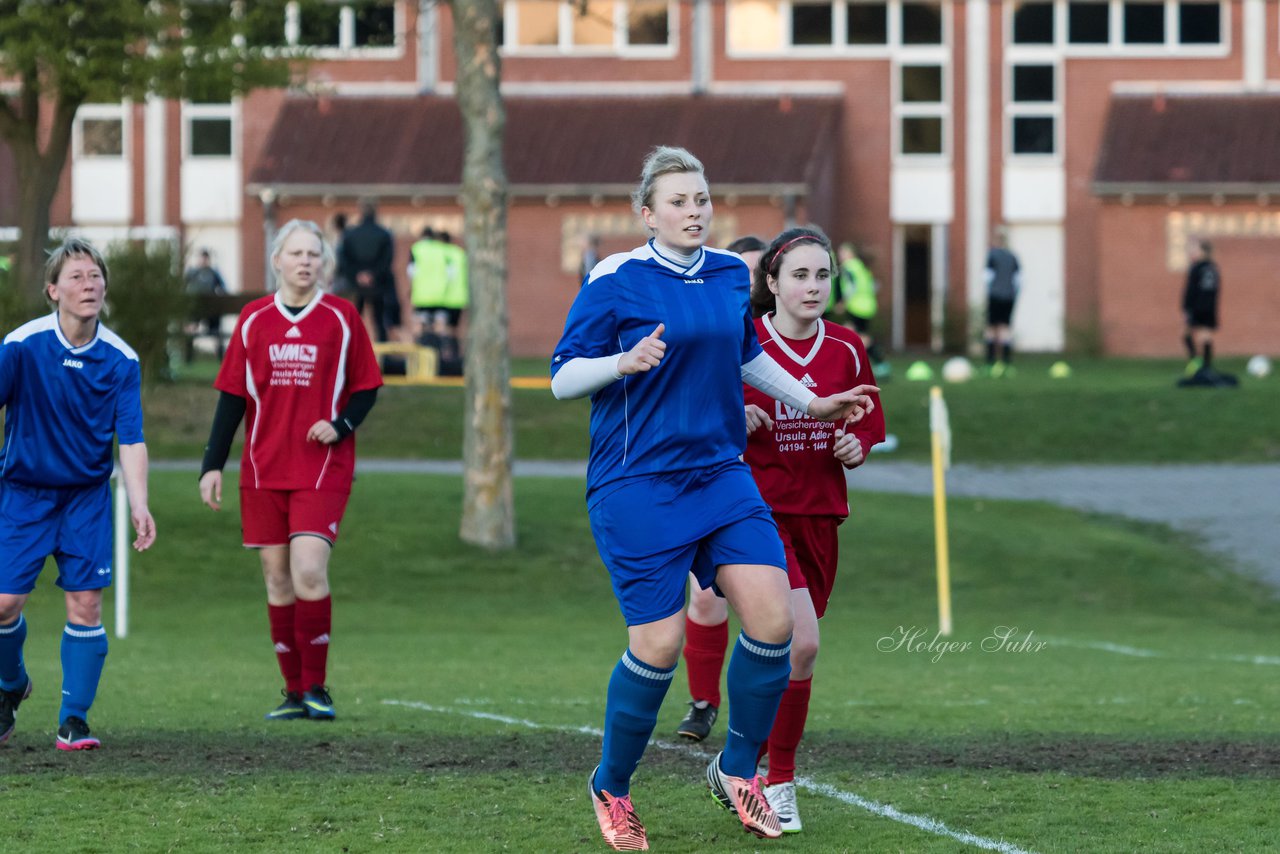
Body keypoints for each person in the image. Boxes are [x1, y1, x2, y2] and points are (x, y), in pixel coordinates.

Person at [551, 146, 876, 851]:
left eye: (701, 199)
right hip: (637, 482)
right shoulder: (616, 279)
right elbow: (562, 377)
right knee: (661, 644)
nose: (694, 211)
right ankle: (612, 785)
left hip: (722, 476)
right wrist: (620, 362)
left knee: (773, 623)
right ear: (648, 214)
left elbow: (745, 355)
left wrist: (812, 403)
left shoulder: (733, 273)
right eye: (678, 201)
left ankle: (735, 772)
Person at [680, 227, 885, 834]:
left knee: (793, 654)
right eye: (799, 275)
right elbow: (698, 419)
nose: (813, 286)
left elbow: (871, 419)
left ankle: (742, 767)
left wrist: (858, 443)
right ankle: (776, 781)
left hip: (820, 514)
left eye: (822, 275)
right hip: (755, 516)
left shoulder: (847, 347)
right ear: (769, 283)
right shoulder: (746, 346)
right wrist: (735, 418)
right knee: (801, 642)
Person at [199, 219, 382, 722]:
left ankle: (318, 688)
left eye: (314, 254)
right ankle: (293, 691)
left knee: (307, 569)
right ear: (277, 260)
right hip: (261, 469)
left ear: (323, 263)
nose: (306, 261)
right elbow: (232, 397)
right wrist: (211, 466)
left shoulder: (342, 318)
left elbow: (367, 386)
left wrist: (341, 425)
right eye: (296, 253)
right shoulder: (254, 319)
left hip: (322, 468)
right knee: (277, 580)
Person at [0, 237, 156, 750]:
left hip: (87, 500)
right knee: (4, 604)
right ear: (53, 291)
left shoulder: (120, 360)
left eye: (95, 276)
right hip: (24, 494)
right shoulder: (21, 346)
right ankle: (10, 685)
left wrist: (139, 504)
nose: (89, 285)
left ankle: (74, 719)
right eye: (76, 277)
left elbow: (130, 438)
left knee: (86, 604)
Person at [339, 199, 396, 342]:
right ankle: (382, 358)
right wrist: (373, 275)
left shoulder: (350, 234)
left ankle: (348, 351)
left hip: (355, 285)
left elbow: (344, 259)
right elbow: (387, 260)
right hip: (378, 285)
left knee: (351, 321)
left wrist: (357, 274)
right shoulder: (384, 234)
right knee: (380, 322)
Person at [984, 229, 1020, 377]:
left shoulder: (992, 256)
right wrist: (1013, 293)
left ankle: (991, 361)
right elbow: (1019, 279)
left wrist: (992, 291)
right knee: (1005, 327)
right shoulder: (1013, 257)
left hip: (995, 296)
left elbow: (987, 277)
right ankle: (1005, 361)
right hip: (1009, 297)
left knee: (992, 327)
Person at [1182, 238, 1221, 376]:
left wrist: (1187, 307)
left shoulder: (1196, 268)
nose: (1193, 252)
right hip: (1209, 306)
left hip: (1197, 306)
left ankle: (1196, 362)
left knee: (1187, 333)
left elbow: (1191, 290)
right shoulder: (1213, 267)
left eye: (1196, 249)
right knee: (1205, 335)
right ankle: (1206, 366)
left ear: (1203, 251)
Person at [184, 248, 229, 360]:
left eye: (205, 258)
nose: (204, 261)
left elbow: (223, 288)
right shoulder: (193, 272)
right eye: (202, 258)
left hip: (211, 310)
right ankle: (188, 356)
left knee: (215, 329)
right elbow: (183, 286)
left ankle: (220, 356)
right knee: (190, 326)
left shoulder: (213, 273)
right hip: (196, 309)